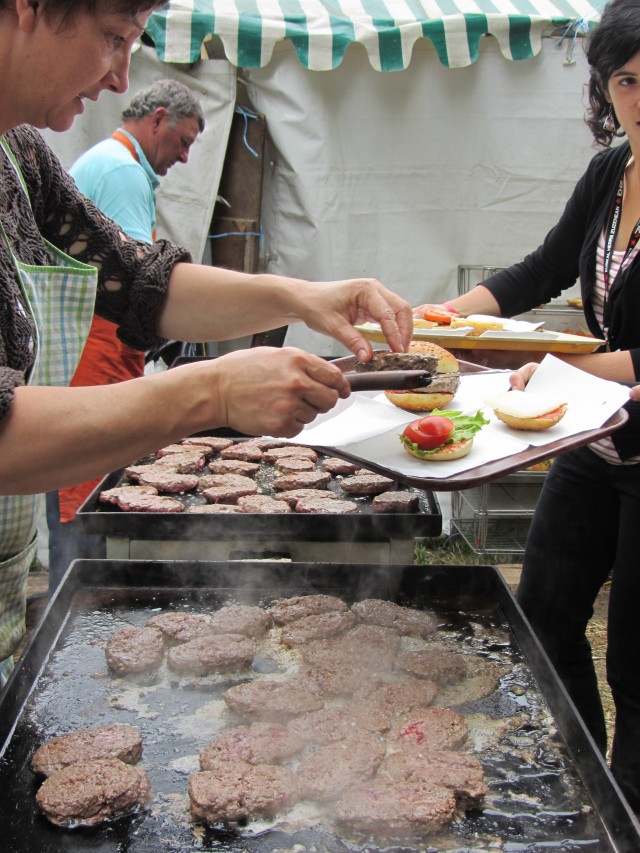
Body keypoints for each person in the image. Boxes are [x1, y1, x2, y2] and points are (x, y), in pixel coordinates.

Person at [0, 0, 412, 689]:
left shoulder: (17, 150)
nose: (118, 77)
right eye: (112, 39)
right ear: (28, 8)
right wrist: (213, 389)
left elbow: (138, 282)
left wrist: (298, 295)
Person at [415, 0, 640, 815]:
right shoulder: (610, 174)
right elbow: (542, 268)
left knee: (638, 666)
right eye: (627, 79)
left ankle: (626, 810)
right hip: (595, 438)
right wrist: (449, 312)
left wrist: (554, 368)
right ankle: (573, 775)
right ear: (605, 88)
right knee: (543, 610)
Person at [46, 79, 205, 590]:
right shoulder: (119, 171)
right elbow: (144, 286)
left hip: (99, 351)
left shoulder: (116, 164)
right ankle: (80, 600)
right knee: (84, 493)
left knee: (84, 478)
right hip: (92, 354)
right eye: (183, 142)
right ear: (157, 119)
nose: (183, 157)